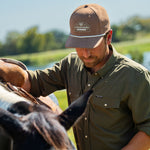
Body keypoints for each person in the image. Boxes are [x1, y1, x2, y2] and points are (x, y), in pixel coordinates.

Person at [5, 3, 150, 150]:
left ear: (108, 37)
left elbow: (148, 128)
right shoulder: (70, 65)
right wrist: (4, 69)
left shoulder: (135, 76)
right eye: (79, 45)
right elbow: (33, 81)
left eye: (92, 45)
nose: (85, 54)